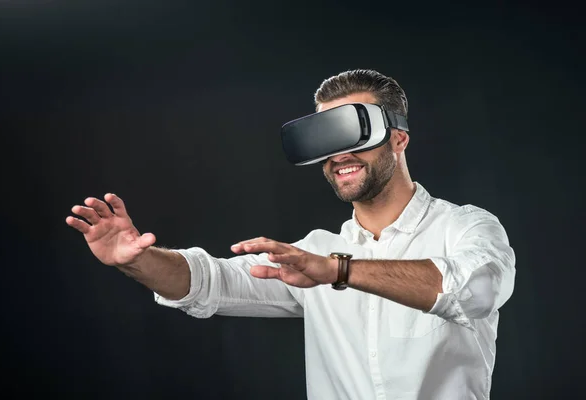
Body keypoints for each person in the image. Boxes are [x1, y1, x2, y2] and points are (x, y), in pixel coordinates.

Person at [66, 69, 516, 400]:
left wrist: (339, 270)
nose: (338, 154)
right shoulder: (312, 255)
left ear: (398, 139)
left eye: (353, 133)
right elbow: (214, 282)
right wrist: (137, 261)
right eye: (325, 137)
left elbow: (471, 291)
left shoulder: (466, 227)